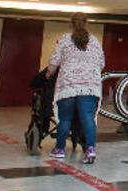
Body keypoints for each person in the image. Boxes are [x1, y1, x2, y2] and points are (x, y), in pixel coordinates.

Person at [47, 13, 105, 164]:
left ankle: (59, 149)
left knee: (65, 118)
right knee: (88, 118)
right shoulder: (94, 41)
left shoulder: (65, 39)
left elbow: (54, 62)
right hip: (90, 86)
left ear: (71, 23)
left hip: (68, 85)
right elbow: (101, 63)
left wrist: (48, 73)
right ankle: (90, 149)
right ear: (86, 23)